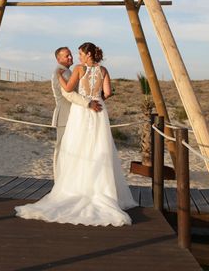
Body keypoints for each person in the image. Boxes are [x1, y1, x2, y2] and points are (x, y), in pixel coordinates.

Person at [15, 42, 137, 227]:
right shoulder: (103, 70)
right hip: (99, 111)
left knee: (77, 147)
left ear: (88, 54)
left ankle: (73, 187)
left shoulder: (79, 69)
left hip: (81, 113)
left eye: (79, 53)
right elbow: (109, 92)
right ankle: (102, 190)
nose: (77, 57)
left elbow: (69, 89)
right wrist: (98, 100)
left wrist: (60, 78)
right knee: (98, 147)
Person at [51, 46, 102, 175]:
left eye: (70, 55)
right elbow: (68, 94)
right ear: (58, 59)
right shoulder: (61, 72)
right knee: (62, 150)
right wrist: (88, 103)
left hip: (75, 115)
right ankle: (59, 182)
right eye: (66, 56)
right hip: (65, 115)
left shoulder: (67, 71)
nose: (70, 57)